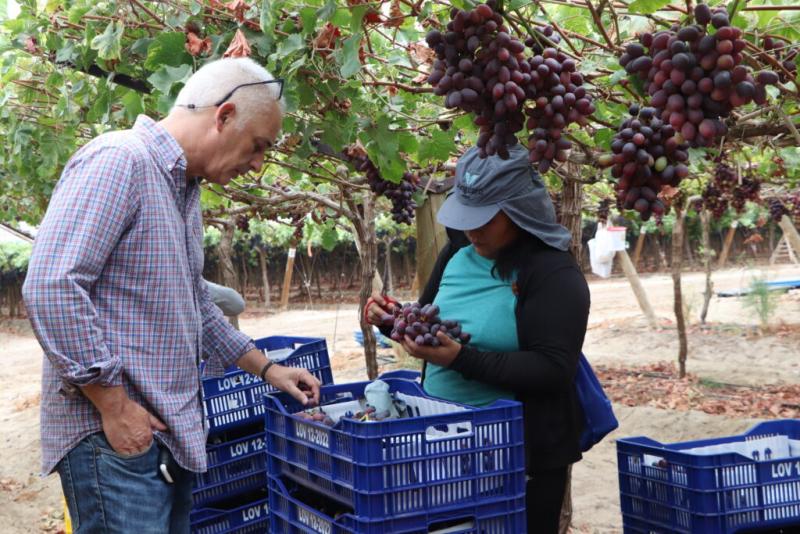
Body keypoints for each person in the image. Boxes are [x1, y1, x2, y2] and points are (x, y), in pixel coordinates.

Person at [22, 57, 321, 533]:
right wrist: (114, 406)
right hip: (114, 439)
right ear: (223, 116)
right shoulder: (121, 161)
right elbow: (53, 286)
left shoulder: (181, 189)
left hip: (158, 435)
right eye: (258, 145)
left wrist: (267, 368)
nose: (260, 164)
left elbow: (194, 304)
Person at [366, 144, 590, 533]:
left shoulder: (554, 273)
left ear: (519, 209)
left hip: (521, 459)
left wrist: (460, 359)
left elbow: (554, 368)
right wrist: (392, 322)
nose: (473, 229)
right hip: (446, 446)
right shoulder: (456, 253)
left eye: (486, 219)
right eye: (468, 217)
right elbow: (428, 319)